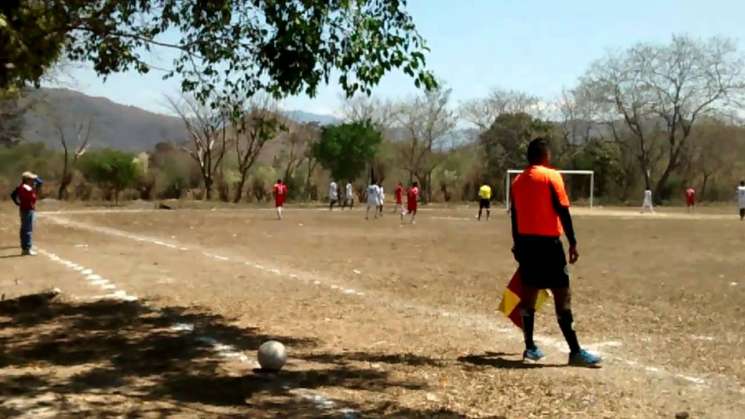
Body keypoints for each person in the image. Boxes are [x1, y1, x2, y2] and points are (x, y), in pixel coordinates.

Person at [510, 138, 601, 367]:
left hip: (526, 245)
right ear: (544, 155)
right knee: (562, 294)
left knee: (529, 294)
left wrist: (517, 245)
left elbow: (514, 217)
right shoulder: (551, 177)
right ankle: (575, 352)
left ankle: (529, 347)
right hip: (549, 245)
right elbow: (563, 211)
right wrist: (572, 242)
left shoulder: (518, 181)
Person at [10, 172, 42, 256]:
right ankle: (26, 248)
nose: (33, 180)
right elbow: (33, 196)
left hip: (25, 209)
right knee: (27, 229)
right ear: (27, 180)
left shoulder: (24, 187)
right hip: (27, 210)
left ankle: (25, 248)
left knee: (25, 229)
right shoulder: (26, 188)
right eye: (31, 179)